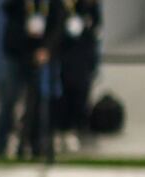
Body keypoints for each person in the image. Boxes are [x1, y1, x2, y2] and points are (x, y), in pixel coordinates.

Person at [0, 0, 62, 157]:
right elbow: (8, 9)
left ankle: (33, 143)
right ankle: (1, 143)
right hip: (16, 52)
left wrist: (46, 49)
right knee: (9, 98)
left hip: (38, 53)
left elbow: (57, 24)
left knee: (36, 100)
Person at [52, 0, 103, 153]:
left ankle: (76, 128)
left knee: (80, 92)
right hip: (66, 57)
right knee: (64, 94)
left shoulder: (89, 6)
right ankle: (63, 129)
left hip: (83, 57)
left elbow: (95, 27)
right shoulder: (61, 5)